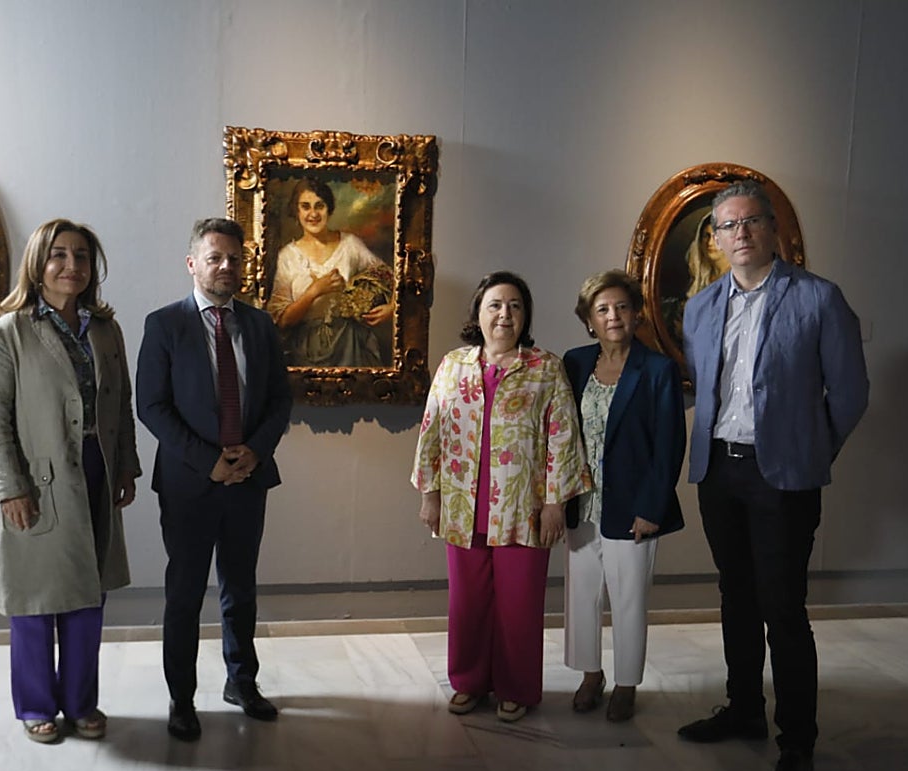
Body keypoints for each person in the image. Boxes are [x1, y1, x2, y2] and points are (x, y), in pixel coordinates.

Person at [679, 180, 868, 771]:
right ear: (714, 239)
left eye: (750, 222)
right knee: (736, 595)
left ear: (773, 229)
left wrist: (808, 449)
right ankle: (743, 709)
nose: (739, 235)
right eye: (727, 226)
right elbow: (705, 388)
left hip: (781, 477)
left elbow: (849, 394)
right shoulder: (701, 308)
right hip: (719, 471)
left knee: (783, 609)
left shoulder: (818, 300)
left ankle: (798, 748)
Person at [0, 219, 141, 744]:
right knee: (36, 597)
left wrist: (124, 466)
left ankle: (80, 701)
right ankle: (35, 705)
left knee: (86, 594)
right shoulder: (11, 331)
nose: (72, 266)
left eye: (83, 257)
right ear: (38, 263)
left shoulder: (105, 330)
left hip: (96, 470)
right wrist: (10, 486)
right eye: (60, 256)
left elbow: (122, 405)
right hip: (37, 479)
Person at [137, 217, 293, 742]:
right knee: (183, 594)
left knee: (240, 589)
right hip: (189, 482)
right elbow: (151, 406)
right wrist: (208, 460)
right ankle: (182, 698)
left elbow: (278, 401)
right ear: (193, 264)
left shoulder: (260, 325)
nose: (226, 267)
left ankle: (241, 682)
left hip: (249, 478)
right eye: (215, 258)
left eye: (234, 258)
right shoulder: (164, 325)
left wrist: (254, 451)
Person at [412, 271, 590, 723]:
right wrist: (430, 494)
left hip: (522, 507)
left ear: (525, 315)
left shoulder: (545, 368)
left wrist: (554, 502)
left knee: (519, 605)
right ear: (478, 312)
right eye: (495, 305)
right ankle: (468, 682)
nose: (504, 314)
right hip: (461, 503)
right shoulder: (453, 365)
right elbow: (431, 430)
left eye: (514, 305)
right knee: (467, 602)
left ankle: (516, 688)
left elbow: (562, 436)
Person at [562, 270, 686, 723]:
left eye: (621, 307)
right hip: (582, 503)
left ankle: (627, 683)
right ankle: (590, 675)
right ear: (589, 320)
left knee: (629, 598)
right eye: (602, 309)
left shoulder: (658, 369)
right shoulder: (573, 364)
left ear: (636, 314)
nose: (612, 316)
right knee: (581, 597)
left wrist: (652, 508)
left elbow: (669, 444)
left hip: (633, 508)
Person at [268, 176, 395, 366]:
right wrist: (314, 291)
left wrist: (392, 308)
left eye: (319, 206)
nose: (313, 214)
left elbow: (392, 276)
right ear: (296, 210)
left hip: (350, 345)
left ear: (329, 209)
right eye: (305, 206)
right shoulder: (288, 256)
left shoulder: (350, 245)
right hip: (305, 349)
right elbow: (283, 321)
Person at [685, 210, 731, 299]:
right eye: (706, 236)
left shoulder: (740, 276)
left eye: (716, 237)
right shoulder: (702, 277)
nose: (710, 243)